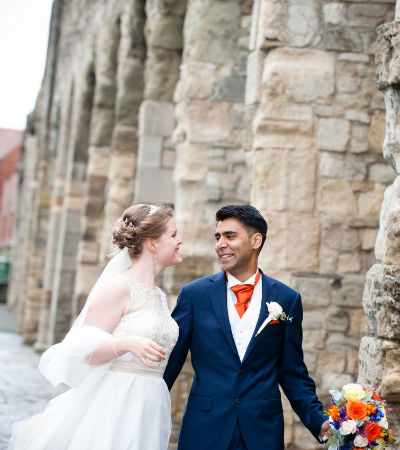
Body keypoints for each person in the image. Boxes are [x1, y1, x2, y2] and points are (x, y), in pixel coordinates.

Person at [8, 204, 183, 450]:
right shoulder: (118, 287)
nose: (180, 240)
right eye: (173, 235)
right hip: (116, 402)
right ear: (152, 244)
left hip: (150, 402)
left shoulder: (160, 296)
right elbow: (82, 352)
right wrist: (124, 344)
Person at [163, 204, 333, 450]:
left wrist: (318, 420)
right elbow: (171, 361)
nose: (220, 244)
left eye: (230, 236)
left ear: (256, 240)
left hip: (261, 432)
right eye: (218, 237)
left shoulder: (287, 299)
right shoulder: (194, 295)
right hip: (204, 430)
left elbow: (292, 372)